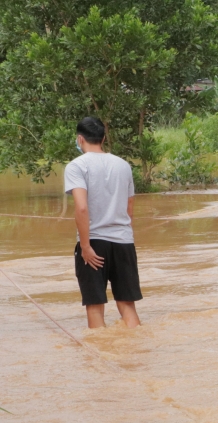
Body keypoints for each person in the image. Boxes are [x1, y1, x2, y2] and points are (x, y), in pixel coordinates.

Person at [64, 117, 142, 329]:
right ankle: (139, 353)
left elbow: (81, 207)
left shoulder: (76, 166)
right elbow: (130, 206)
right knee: (127, 304)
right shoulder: (123, 165)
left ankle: (98, 357)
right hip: (124, 241)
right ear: (103, 138)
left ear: (80, 139)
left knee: (95, 305)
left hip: (94, 243)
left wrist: (85, 246)